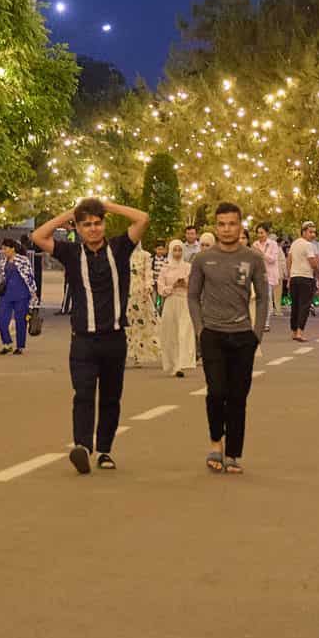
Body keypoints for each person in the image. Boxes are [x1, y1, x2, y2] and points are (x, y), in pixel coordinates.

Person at [31, 197, 149, 474]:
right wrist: (71, 213)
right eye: (86, 224)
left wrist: (108, 206)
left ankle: (105, 450)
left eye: (97, 223)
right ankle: (82, 446)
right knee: (83, 394)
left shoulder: (119, 248)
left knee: (110, 398)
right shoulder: (71, 253)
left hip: (114, 338)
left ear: (104, 224)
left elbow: (142, 218)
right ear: (78, 228)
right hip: (83, 340)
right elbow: (38, 236)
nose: (93, 229)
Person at [189, 202, 270, 474]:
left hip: (243, 336)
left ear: (240, 225)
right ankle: (216, 443)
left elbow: (263, 297)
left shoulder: (253, 258)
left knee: (237, 396)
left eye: (232, 224)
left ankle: (233, 453)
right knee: (216, 392)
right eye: (221, 224)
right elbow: (192, 296)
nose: (226, 229)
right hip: (212, 334)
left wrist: (256, 334)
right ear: (216, 226)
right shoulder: (202, 259)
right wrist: (200, 329)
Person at [155, 239, 197, 377]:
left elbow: (194, 285)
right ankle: (173, 364)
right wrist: (172, 286)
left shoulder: (188, 267)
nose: (177, 253)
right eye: (175, 250)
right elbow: (160, 288)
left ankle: (182, 364)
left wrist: (185, 283)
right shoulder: (165, 268)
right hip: (170, 302)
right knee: (170, 333)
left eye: (180, 250)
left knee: (184, 333)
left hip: (184, 302)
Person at [0, 239, 35, 355]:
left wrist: (33, 293)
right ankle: (7, 343)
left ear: (12, 248)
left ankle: (20, 346)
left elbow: (30, 276)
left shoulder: (23, 260)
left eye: (5, 248)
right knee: (1, 318)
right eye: (2, 249)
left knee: (20, 321)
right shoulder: (3, 261)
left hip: (22, 294)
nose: (3, 251)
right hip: (7, 294)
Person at [125, 239, 159, 367]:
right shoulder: (123, 254)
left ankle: (138, 355)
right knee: (125, 324)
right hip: (125, 292)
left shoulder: (145, 255)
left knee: (140, 324)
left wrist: (148, 287)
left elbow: (148, 273)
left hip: (140, 293)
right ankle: (124, 354)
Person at [286, 221, 319, 340]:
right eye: (310, 232)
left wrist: (289, 277)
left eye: (314, 232)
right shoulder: (308, 245)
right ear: (304, 232)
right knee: (304, 306)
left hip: (294, 278)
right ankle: (300, 332)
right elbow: (313, 263)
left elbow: (289, 260)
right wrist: (318, 273)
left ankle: (294, 331)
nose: (313, 235)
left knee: (295, 306)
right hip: (306, 278)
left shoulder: (294, 243)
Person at [254, 224, 284, 331]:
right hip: (257, 274)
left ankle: (266, 323)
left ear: (266, 233)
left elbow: (272, 259)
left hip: (269, 276)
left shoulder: (273, 244)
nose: (260, 235)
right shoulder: (255, 244)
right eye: (258, 233)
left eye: (262, 233)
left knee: (266, 298)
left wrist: (261, 254)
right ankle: (257, 321)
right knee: (257, 299)